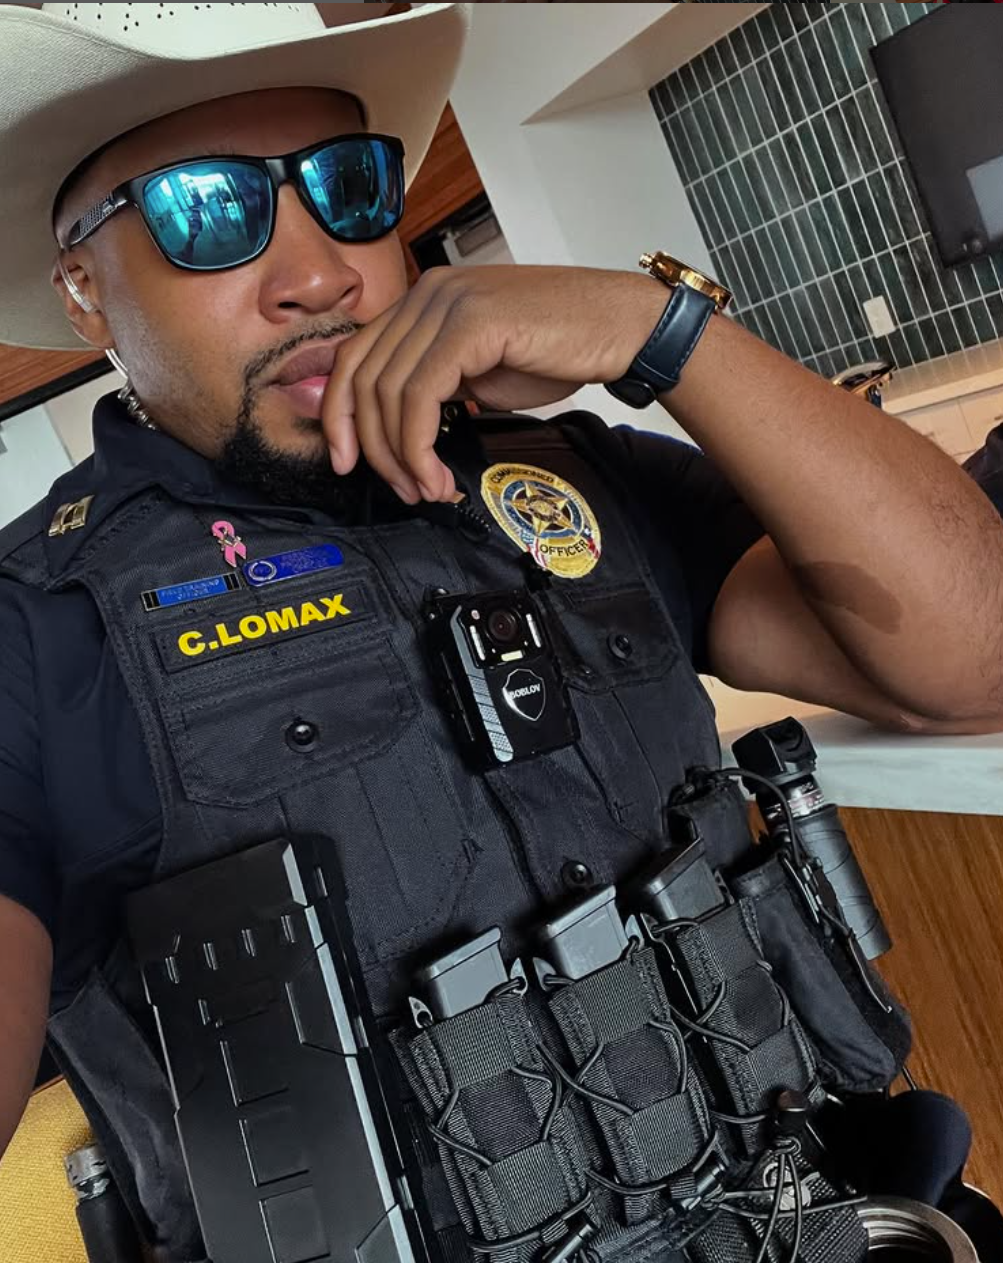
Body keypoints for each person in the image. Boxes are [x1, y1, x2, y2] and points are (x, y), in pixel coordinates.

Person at [2, 5, 1003, 1263]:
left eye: (350, 188)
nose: (322, 273)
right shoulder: (37, 627)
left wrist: (661, 335)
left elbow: (974, 658)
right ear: (86, 293)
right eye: (207, 208)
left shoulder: (575, 476)